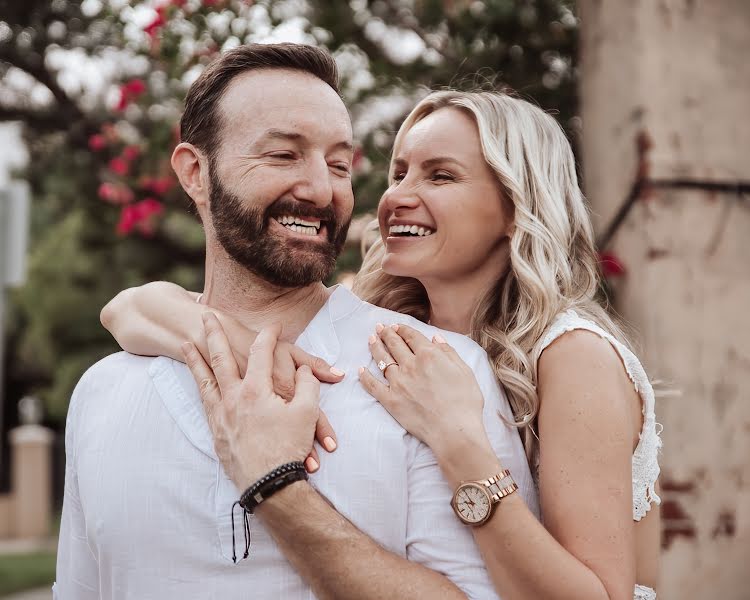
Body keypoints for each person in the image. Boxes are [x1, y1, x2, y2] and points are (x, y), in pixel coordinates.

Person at [102, 88, 664, 599]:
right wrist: (240, 342)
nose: (398, 197)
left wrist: (457, 440)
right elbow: (126, 311)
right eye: (400, 173)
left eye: (440, 176)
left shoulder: (570, 355)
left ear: (517, 209)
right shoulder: (391, 327)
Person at [55, 43, 537, 600]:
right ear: (195, 172)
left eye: (338, 164)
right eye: (284, 155)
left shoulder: (432, 371)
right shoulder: (103, 392)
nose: (319, 189)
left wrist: (277, 486)